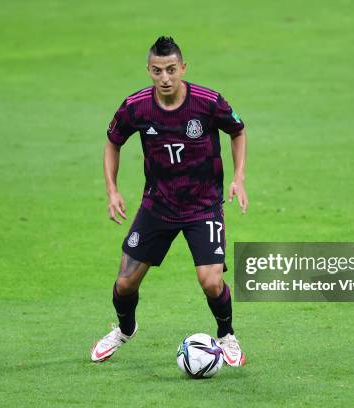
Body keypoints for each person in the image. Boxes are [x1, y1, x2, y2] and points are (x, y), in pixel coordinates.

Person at [91, 36, 248, 367]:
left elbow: (237, 131)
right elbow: (112, 142)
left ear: (183, 69)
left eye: (171, 70)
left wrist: (238, 179)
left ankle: (226, 334)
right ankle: (124, 329)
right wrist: (112, 190)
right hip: (158, 206)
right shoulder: (136, 106)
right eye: (157, 71)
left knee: (211, 281)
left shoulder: (207, 102)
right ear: (149, 70)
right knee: (124, 282)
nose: (165, 78)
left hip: (202, 206)